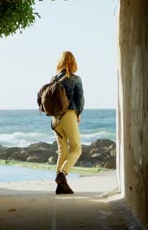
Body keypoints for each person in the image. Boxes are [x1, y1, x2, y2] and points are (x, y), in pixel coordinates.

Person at [51, 51, 85, 194]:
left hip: (55, 119)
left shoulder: (54, 79)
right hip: (69, 115)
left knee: (62, 151)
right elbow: (80, 100)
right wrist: (78, 114)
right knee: (77, 148)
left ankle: (60, 187)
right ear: (73, 62)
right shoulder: (75, 79)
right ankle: (62, 174)